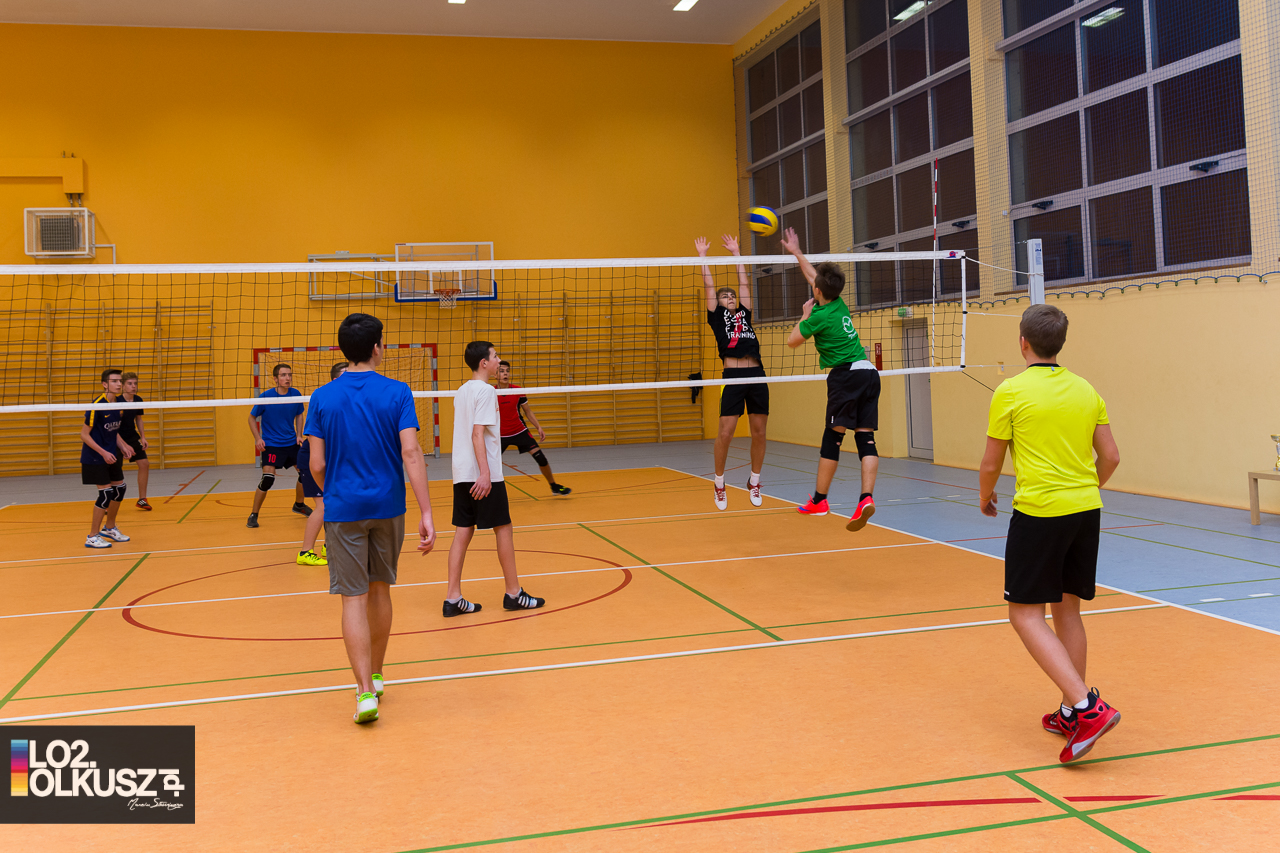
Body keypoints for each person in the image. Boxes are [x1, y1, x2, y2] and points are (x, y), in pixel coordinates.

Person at [979, 304, 1122, 764]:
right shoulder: (1086, 389)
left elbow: (991, 461)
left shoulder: (1010, 391)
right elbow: (1112, 457)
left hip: (1040, 513)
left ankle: (1087, 707)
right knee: (1068, 610)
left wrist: (985, 495)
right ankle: (1069, 713)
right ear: (1060, 344)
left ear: (1023, 342)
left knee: (1024, 614)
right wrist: (1085, 488)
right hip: (1086, 510)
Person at [306, 314, 435, 724]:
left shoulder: (321, 397)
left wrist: (335, 491)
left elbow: (316, 464)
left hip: (343, 508)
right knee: (381, 591)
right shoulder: (398, 392)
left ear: (343, 350)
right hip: (388, 506)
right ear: (377, 347)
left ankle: (364, 692)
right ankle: (377, 675)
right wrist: (426, 511)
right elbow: (411, 453)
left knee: (353, 598)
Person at [782, 227, 880, 532]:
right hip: (869, 373)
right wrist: (797, 252)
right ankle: (865, 498)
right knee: (865, 438)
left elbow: (792, 341)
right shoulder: (838, 302)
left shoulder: (819, 317)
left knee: (832, 438)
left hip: (845, 376)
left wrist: (804, 315)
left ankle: (820, 501)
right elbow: (815, 277)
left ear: (817, 293)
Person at [444, 341, 545, 617]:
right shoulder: (487, 391)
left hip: (461, 473)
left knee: (463, 532)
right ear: (484, 363)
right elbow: (477, 434)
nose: (499, 361)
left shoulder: (462, 391)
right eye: (495, 356)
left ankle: (452, 598)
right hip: (482, 474)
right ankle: (514, 593)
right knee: (504, 528)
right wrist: (486, 473)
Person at [697, 234, 767, 511]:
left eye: (732, 296)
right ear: (718, 301)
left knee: (759, 432)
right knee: (725, 433)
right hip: (733, 378)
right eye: (725, 296)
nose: (730, 297)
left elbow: (744, 283)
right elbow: (709, 285)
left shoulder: (744, 313)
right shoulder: (716, 317)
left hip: (757, 374)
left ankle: (755, 480)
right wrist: (703, 257)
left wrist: (737, 253)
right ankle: (719, 483)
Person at [296, 361, 348, 566]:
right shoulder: (324, 400)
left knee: (335, 502)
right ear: (335, 380)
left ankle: (328, 545)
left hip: (329, 460)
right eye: (346, 375)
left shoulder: (347, 403)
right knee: (324, 506)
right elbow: (316, 439)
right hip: (312, 460)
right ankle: (305, 552)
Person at [246, 363, 309, 528]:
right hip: (272, 444)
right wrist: (257, 438)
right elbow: (251, 418)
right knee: (268, 479)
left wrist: (299, 434)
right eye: (283, 375)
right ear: (275, 379)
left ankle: (299, 504)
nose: (287, 378)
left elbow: (299, 415)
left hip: (291, 443)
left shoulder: (295, 394)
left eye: (289, 375)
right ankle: (253, 514)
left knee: (305, 473)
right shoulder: (266, 397)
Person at [496, 360, 571, 496]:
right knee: (490, 464)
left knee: (541, 458)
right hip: (500, 435)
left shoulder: (518, 390)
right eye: (501, 371)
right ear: (495, 375)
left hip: (519, 431)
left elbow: (528, 411)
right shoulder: (491, 392)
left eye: (507, 371)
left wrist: (538, 427)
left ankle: (554, 486)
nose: (505, 374)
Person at [80, 369, 134, 549]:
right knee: (105, 494)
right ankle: (92, 536)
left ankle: (109, 528)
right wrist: (103, 452)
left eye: (120, 381)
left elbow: (112, 430)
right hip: (95, 456)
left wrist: (123, 446)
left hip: (112, 454)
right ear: (105, 384)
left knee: (119, 489)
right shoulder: (97, 405)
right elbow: (84, 435)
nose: (119, 384)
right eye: (114, 381)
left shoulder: (119, 404)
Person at [118, 372, 152, 510]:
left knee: (144, 464)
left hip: (132, 436)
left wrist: (143, 437)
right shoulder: (117, 401)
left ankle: (142, 499)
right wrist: (123, 445)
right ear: (123, 386)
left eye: (135, 383)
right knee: (115, 468)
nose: (133, 386)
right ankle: (109, 502)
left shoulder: (138, 400)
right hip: (116, 437)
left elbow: (139, 419)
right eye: (130, 384)